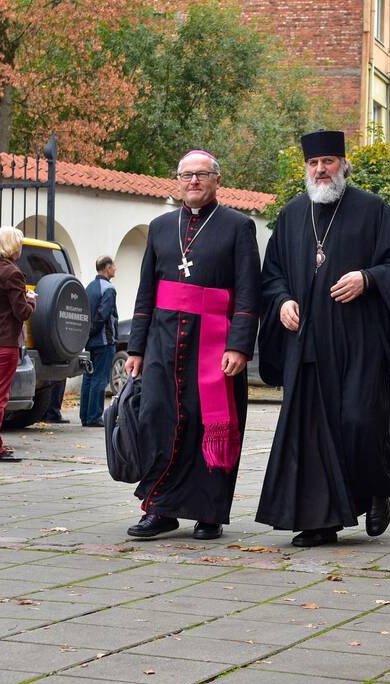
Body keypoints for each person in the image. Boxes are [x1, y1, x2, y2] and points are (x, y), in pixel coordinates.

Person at [257, 130, 390, 547]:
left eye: (329, 161)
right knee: (310, 433)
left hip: (358, 344)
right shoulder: (293, 214)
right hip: (307, 344)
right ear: (306, 169)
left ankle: (376, 489)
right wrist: (280, 303)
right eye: (314, 164)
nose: (321, 170)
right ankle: (319, 521)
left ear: (344, 165)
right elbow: (272, 273)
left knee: (358, 421)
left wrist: (368, 278)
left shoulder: (372, 210)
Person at [125, 150, 261, 541]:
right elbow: (145, 291)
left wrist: (239, 346)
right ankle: (160, 509)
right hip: (163, 344)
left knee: (211, 425)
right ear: (177, 181)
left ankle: (209, 513)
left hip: (215, 345)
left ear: (217, 180)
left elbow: (249, 294)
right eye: (187, 175)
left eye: (202, 175)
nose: (194, 182)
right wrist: (136, 349)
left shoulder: (238, 226)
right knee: (158, 420)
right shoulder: (160, 226)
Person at [0, 227, 36, 462]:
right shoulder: (13, 273)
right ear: (14, 247)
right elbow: (21, 312)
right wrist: (31, 300)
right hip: (4, 343)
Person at [80, 255, 118, 428]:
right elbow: (104, 315)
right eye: (113, 266)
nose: (115, 269)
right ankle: (94, 416)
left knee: (88, 377)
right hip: (104, 341)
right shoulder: (108, 288)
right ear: (107, 267)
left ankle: (85, 416)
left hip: (90, 341)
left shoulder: (89, 288)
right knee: (100, 378)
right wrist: (94, 331)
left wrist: (87, 334)